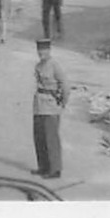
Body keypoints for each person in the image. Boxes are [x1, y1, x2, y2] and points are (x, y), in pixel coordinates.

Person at [32, 38, 69, 179]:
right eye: (39, 50)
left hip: (51, 105)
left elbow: (65, 85)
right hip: (39, 105)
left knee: (51, 138)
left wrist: (63, 102)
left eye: (44, 50)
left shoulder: (55, 66)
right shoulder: (38, 66)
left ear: (49, 50)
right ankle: (43, 166)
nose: (41, 53)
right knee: (39, 137)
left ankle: (55, 169)